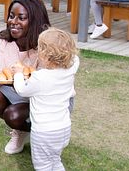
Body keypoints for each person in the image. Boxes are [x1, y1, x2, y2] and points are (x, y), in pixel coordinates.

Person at [0, 0, 51, 154]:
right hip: (14, 91)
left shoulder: (45, 45)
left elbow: (45, 85)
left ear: (34, 21)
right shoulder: (2, 40)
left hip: (38, 98)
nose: (14, 22)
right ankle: (20, 131)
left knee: (13, 115)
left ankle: (35, 131)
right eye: (11, 16)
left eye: (21, 18)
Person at [12, 28, 79, 171]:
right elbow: (75, 59)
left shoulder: (40, 78)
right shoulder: (71, 69)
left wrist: (18, 74)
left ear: (46, 55)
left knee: (43, 166)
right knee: (55, 160)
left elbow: (22, 90)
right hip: (63, 128)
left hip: (44, 133)